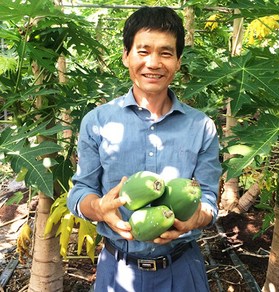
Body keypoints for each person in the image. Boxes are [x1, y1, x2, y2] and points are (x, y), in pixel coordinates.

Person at [67, 6, 222, 292]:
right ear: (126, 55)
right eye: (143, 51)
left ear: (177, 61)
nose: (153, 62)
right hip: (118, 269)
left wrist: (193, 220)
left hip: (182, 269)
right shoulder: (97, 122)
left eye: (165, 53)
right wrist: (100, 208)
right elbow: (79, 192)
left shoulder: (202, 127)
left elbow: (210, 200)